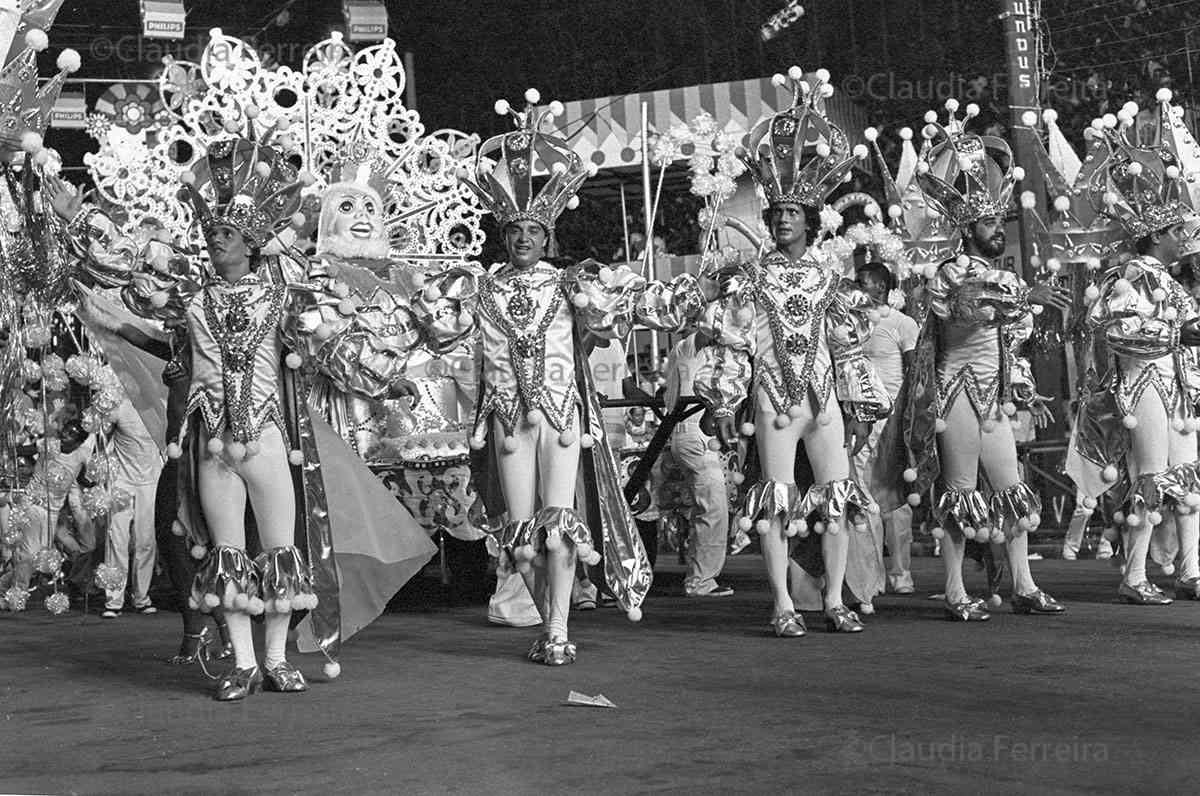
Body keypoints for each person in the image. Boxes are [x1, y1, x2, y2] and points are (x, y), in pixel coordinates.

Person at [51, 132, 425, 700]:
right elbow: (130, 300)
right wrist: (73, 239)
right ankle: (243, 662)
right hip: (212, 444)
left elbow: (333, 345)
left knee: (279, 552)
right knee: (224, 554)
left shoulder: (285, 299)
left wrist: (385, 379)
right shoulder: (191, 301)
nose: (213, 240)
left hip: (271, 440)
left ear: (250, 243)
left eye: (224, 233)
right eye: (210, 233)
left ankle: (276, 659)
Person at [419, 92, 703, 664]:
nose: (524, 238)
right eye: (515, 230)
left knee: (557, 527)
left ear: (548, 237)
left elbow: (640, 301)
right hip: (503, 421)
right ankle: (549, 614)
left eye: (534, 230)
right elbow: (427, 326)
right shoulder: (478, 289)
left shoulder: (573, 284)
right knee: (520, 544)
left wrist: (696, 288)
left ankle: (556, 629)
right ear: (504, 236)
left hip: (563, 419)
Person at [700, 68, 891, 637]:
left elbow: (847, 345)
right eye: (776, 212)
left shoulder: (831, 281)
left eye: (793, 213)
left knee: (836, 501)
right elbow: (733, 344)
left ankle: (834, 599)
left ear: (809, 221)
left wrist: (858, 409)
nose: (783, 219)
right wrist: (724, 403)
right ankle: (783, 602)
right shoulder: (751, 277)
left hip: (825, 401)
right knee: (776, 504)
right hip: (772, 400)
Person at [875, 101, 1069, 621]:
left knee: (1012, 491)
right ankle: (958, 590)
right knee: (959, 494)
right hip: (955, 394)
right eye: (985, 222)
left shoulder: (1005, 278)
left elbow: (1012, 338)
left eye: (997, 219)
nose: (995, 228)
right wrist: (1027, 300)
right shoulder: (950, 272)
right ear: (967, 228)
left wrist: (1023, 383)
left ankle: (1025, 585)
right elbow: (966, 314)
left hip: (994, 398)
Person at [1069, 107, 1200, 604]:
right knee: (1149, 477)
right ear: (1159, 234)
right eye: (1178, 230)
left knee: (1188, 479)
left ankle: (1190, 570)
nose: (1185, 236)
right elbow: (1116, 330)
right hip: (1143, 385)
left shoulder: (1170, 280)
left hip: (1181, 390)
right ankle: (1135, 575)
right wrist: (1177, 335)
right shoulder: (1129, 276)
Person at [854, 262, 919, 593]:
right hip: (858, 422)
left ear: (881, 286)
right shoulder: (849, 325)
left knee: (896, 503)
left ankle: (900, 573)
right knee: (863, 501)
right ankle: (872, 578)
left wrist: (906, 419)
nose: (859, 287)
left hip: (892, 422)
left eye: (864, 282)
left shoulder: (901, 323)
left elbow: (915, 373)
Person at [664, 331, 732, 597]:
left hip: (694, 434)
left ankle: (700, 577)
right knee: (713, 509)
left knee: (707, 509)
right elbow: (708, 331)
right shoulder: (691, 345)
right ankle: (701, 581)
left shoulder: (687, 349)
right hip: (695, 436)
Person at [100, 396, 164, 617]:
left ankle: (141, 597)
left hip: (150, 482)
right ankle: (113, 600)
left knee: (146, 542)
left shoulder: (159, 407)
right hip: (121, 482)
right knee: (117, 540)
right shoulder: (119, 407)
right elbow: (98, 435)